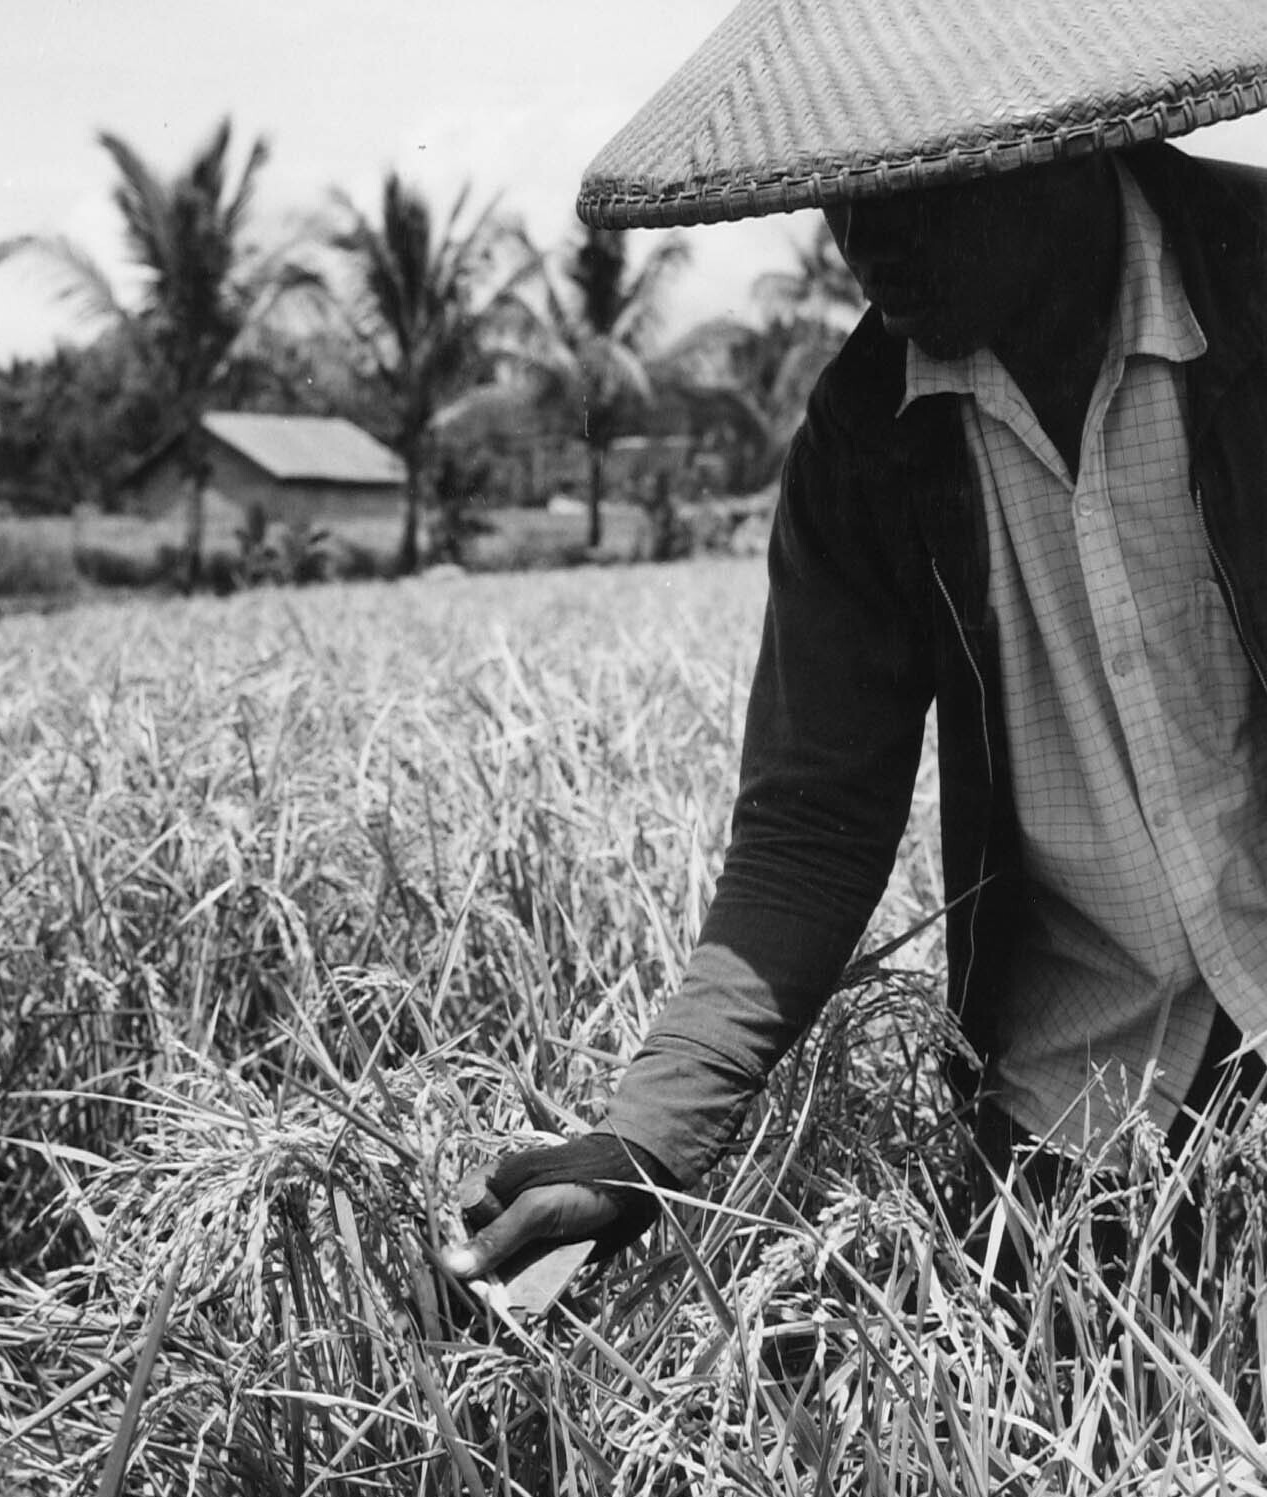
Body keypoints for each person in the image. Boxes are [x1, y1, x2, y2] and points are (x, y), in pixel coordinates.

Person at [446, 0, 1267, 1302]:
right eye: (841, 193)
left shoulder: (1254, 282)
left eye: (912, 183)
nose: (865, 245)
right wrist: (645, 1139)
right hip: (1085, 1109)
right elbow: (813, 824)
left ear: (1056, 137)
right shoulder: (868, 442)